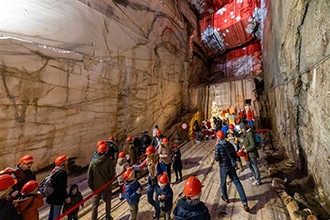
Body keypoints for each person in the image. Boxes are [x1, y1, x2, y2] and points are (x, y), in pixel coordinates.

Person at [214, 130, 250, 212]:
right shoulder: (229, 144)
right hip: (231, 166)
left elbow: (217, 158)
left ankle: (225, 198)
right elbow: (234, 155)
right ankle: (245, 203)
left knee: (223, 183)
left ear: (218, 137)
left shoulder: (218, 146)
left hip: (223, 167)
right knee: (237, 183)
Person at [88, 144, 115, 220]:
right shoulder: (108, 161)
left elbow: (89, 176)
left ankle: (93, 218)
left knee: (95, 205)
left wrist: (92, 186)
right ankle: (108, 217)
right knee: (108, 202)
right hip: (106, 185)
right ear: (106, 151)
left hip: (96, 187)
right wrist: (110, 181)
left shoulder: (93, 162)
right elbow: (112, 173)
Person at [138, 146, 167, 219]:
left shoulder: (159, 160)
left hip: (158, 181)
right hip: (151, 180)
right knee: (149, 199)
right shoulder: (148, 160)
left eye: (149, 154)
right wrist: (132, 168)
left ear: (153, 154)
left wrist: (164, 181)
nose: (147, 155)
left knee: (157, 199)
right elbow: (140, 166)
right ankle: (158, 208)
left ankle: (157, 214)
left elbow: (164, 171)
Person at [46, 155, 70, 220]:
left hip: (52, 196)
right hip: (57, 198)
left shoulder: (55, 171)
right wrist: (66, 197)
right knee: (56, 215)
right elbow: (62, 188)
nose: (67, 162)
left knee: (51, 213)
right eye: (66, 161)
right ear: (63, 163)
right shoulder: (62, 173)